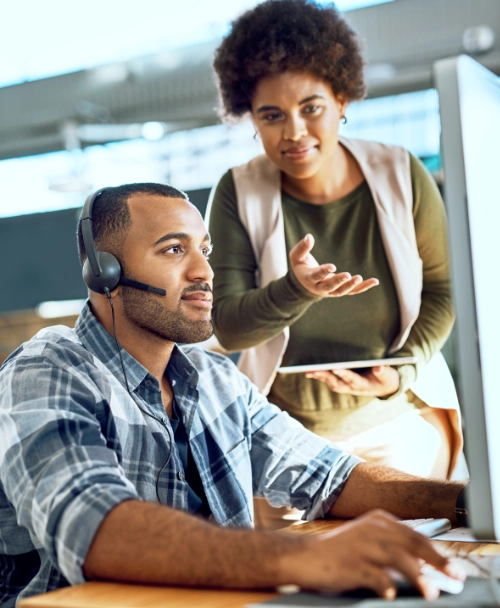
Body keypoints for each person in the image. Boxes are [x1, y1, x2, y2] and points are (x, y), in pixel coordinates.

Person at [0, 184, 466, 606]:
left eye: (204, 249)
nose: (205, 271)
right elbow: (91, 527)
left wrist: (464, 502)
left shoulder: (215, 377)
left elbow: (331, 477)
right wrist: (298, 555)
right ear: (106, 273)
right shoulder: (48, 369)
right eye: (174, 249)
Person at [207, 0, 462, 516]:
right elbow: (228, 327)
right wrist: (296, 289)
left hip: (392, 424)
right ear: (250, 118)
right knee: (293, 588)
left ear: (342, 99)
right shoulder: (238, 191)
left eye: (312, 107)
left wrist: (400, 373)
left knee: (406, 571)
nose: (294, 132)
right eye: (271, 115)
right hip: (283, 442)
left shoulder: (400, 173)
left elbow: (444, 290)